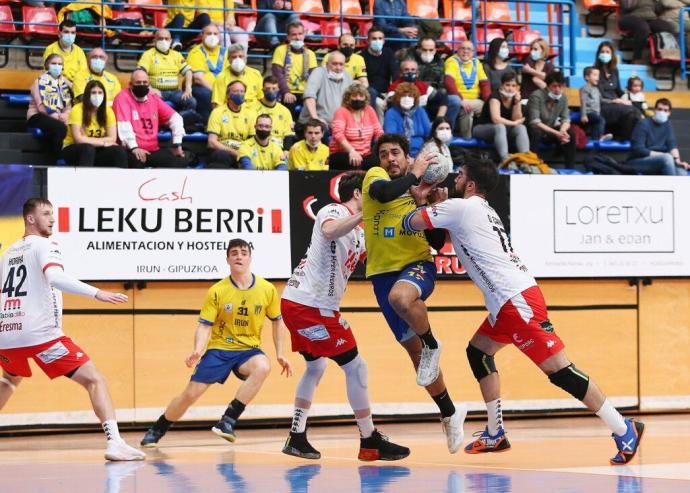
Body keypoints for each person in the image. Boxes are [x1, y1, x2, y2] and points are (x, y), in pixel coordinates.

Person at [402, 157, 645, 466]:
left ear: (472, 184)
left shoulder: (463, 208)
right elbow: (439, 236)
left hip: (516, 301)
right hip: (507, 303)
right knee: (478, 352)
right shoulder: (480, 210)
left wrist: (422, 196)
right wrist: (439, 204)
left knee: (560, 371)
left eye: (460, 175)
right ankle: (495, 431)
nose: (455, 179)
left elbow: (410, 222)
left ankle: (624, 428)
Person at [0, 198, 145, 462]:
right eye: (46, 214)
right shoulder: (46, 245)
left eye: (53, 214)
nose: (52, 219)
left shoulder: (8, 252)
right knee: (95, 379)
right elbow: (55, 278)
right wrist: (96, 293)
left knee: (9, 380)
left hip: (8, 335)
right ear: (30, 219)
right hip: (40, 335)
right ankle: (115, 442)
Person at [281, 172, 410, 461]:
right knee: (357, 368)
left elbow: (379, 256)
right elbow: (329, 230)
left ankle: (296, 436)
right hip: (311, 307)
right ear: (358, 194)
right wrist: (363, 212)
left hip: (300, 305)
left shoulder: (360, 234)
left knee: (316, 368)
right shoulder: (335, 209)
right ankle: (369, 439)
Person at [362, 133, 466, 454]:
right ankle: (450, 412)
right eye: (384, 154)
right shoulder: (376, 178)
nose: (389, 159)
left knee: (401, 298)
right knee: (416, 357)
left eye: (396, 153)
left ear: (408, 157)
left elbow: (436, 244)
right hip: (381, 274)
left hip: (416, 266)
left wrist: (426, 204)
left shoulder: (418, 188)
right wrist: (414, 178)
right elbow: (383, 194)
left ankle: (433, 343)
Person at [140, 238, 292, 447]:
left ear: (250, 257)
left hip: (248, 350)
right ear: (228, 259)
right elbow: (205, 325)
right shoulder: (217, 291)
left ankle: (228, 420)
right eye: (234, 253)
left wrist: (280, 353)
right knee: (190, 395)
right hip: (220, 349)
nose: (239, 256)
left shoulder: (267, 289)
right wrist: (197, 350)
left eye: (243, 252)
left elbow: (277, 321)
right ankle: (158, 429)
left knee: (263, 366)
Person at [113, 68, 187, 169]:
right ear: (130, 84)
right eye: (138, 82)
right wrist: (134, 147)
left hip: (153, 150)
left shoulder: (153, 97)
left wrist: (176, 144)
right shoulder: (122, 97)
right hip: (131, 150)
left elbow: (176, 118)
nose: (142, 85)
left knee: (180, 162)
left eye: (145, 82)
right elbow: (124, 125)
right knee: (136, 163)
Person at [61, 80, 127, 167]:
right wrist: (104, 143)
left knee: (119, 151)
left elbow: (112, 138)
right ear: (87, 95)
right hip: (72, 148)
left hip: (95, 149)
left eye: (100, 93)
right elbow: (79, 140)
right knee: (88, 148)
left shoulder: (108, 111)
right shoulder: (77, 109)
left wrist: (89, 140)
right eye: (93, 93)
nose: (97, 96)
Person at [137, 29, 197, 115]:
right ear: (154, 41)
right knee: (150, 103)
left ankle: (180, 121)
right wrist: (150, 88)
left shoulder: (176, 55)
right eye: (160, 39)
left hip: (175, 91)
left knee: (191, 102)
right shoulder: (148, 54)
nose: (163, 41)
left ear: (171, 41)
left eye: (166, 39)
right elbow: (140, 73)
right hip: (157, 91)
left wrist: (188, 88)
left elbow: (188, 71)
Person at [473, 72, 529, 162]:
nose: (510, 88)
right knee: (500, 126)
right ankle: (505, 159)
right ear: (502, 85)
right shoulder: (495, 97)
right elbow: (496, 119)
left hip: (502, 131)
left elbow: (516, 118)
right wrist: (514, 123)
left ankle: (526, 159)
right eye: (507, 85)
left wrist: (517, 102)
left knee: (521, 128)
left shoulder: (515, 98)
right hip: (481, 129)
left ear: (517, 88)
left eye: (513, 86)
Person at [409, 37, 461, 132]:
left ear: (435, 50)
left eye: (431, 50)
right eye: (424, 50)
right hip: (416, 96)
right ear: (419, 49)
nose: (428, 52)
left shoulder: (439, 61)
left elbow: (441, 84)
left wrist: (434, 94)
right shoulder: (410, 60)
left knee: (455, 101)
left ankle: (446, 130)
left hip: (434, 96)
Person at [627, 98, 689, 175]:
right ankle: (671, 186)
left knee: (682, 173)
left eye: (665, 110)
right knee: (667, 158)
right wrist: (664, 155)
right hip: (638, 161)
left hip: (663, 160)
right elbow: (638, 149)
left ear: (669, 113)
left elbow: (672, 144)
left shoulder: (667, 124)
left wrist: (677, 161)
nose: (662, 112)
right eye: (660, 109)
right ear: (655, 110)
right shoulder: (643, 124)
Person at [527, 71, 576, 168]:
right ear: (547, 86)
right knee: (535, 132)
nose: (558, 90)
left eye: (560, 86)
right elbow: (535, 122)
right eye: (554, 86)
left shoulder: (563, 98)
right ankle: (533, 166)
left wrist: (563, 130)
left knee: (571, 133)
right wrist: (556, 133)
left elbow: (566, 119)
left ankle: (570, 169)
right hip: (533, 130)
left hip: (550, 130)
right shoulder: (536, 96)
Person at [329, 83, 383, 170]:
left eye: (361, 96)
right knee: (352, 162)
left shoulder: (369, 110)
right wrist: (351, 151)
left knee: (379, 162)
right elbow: (338, 134)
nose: (358, 98)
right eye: (354, 96)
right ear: (347, 98)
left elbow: (378, 131)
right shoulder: (341, 111)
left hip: (365, 153)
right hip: (342, 152)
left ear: (366, 98)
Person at [594, 41, 641, 141]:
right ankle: (626, 139)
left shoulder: (614, 70)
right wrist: (615, 101)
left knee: (634, 112)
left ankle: (624, 139)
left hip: (618, 105)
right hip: (604, 105)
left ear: (612, 55)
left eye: (607, 52)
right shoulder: (595, 71)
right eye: (602, 52)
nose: (605, 54)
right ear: (598, 54)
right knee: (632, 111)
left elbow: (618, 90)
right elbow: (599, 95)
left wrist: (628, 96)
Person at [444, 41, 490, 139]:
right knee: (467, 110)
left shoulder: (476, 63)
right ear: (457, 50)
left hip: (475, 101)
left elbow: (484, 84)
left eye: (469, 49)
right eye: (463, 48)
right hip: (458, 99)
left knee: (491, 107)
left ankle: (485, 137)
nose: (465, 51)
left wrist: (489, 101)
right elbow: (449, 82)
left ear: (473, 52)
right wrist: (462, 99)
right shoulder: (452, 61)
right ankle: (467, 140)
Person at [27, 54, 71, 154]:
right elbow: (41, 107)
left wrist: (66, 115)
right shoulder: (39, 81)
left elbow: (68, 105)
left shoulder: (64, 83)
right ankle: (55, 158)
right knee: (60, 127)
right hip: (38, 116)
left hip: (59, 116)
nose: (57, 66)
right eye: (54, 63)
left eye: (60, 64)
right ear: (47, 65)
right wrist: (59, 117)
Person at [206, 80, 257, 168]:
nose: (239, 94)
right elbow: (211, 142)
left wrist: (243, 153)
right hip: (222, 150)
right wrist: (233, 152)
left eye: (242, 91)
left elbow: (253, 141)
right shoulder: (218, 112)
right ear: (228, 94)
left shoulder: (251, 114)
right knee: (222, 156)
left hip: (242, 152)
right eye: (236, 91)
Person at [298, 51, 353, 131]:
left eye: (341, 64)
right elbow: (309, 96)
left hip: (339, 125)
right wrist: (316, 119)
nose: (338, 68)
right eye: (335, 64)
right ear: (327, 64)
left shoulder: (347, 76)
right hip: (314, 125)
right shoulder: (318, 72)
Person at [271, 22, 317, 113]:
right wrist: (286, 92)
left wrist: (310, 95)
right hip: (286, 91)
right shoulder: (280, 50)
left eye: (300, 34)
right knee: (289, 104)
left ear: (304, 35)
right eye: (294, 35)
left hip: (305, 92)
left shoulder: (310, 54)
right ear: (288, 37)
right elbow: (278, 74)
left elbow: (314, 77)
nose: (297, 37)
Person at [187, 23, 227, 121]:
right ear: (202, 35)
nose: (212, 36)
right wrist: (216, 92)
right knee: (207, 95)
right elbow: (198, 78)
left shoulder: (225, 52)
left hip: (223, 88)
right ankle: (208, 124)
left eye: (215, 34)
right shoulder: (196, 52)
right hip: (202, 88)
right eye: (209, 34)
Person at [360, 27, 400, 121]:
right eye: (374, 39)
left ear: (384, 40)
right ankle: (375, 127)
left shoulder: (389, 53)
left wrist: (390, 95)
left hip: (386, 92)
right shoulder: (361, 56)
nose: (377, 41)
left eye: (380, 38)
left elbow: (395, 75)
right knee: (378, 103)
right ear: (368, 41)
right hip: (369, 93)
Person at [618, 0, 675, 64]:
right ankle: (637, 58)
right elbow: (627, 6)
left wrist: (657, 2)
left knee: (667, 27)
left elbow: (658, 10)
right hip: (630, 17)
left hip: (650, 18)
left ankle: (659, 56)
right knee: (643, 27)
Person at [383, 83, 431, 157]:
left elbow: (429, 133)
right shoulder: (391, 113)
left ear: (415, 98)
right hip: (400, 152)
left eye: (410, 96)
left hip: (422, 151)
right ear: (398, 98)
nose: (407, 98)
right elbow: (391, 137)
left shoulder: (420, 111)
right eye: (403, 96)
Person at [250, 75, 296, 153]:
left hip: (279, 149)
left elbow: (289, 134)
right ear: (262, 90)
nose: (271, 91)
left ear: (278, 90)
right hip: (258, 147)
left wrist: (286, 150)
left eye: (274, 88)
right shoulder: (252, 108)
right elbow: (251, 133)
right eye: (268, 89)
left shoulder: (285, 111)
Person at [42, 19, 87, 86]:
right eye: (66, 32)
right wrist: (69, 84)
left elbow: (83, 74)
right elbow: (49, 73)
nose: (70, 35)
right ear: (59, 34)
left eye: (72, 33)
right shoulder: (50, 49)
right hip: (56, 85)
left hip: (76, 86)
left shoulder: (80, 51)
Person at [579, 67, 613, 142]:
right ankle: (601, 136)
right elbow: (583, 101)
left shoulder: (596, 89)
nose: (597, 77)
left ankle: (596, 139)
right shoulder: (585, 88)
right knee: (601, 120)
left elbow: (601, 100)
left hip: (596, 113)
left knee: (596, 124)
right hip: (588, 113)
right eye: (594, 75)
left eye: (598, 75)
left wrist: (613, 101)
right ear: (587, 77)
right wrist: (583, 115)